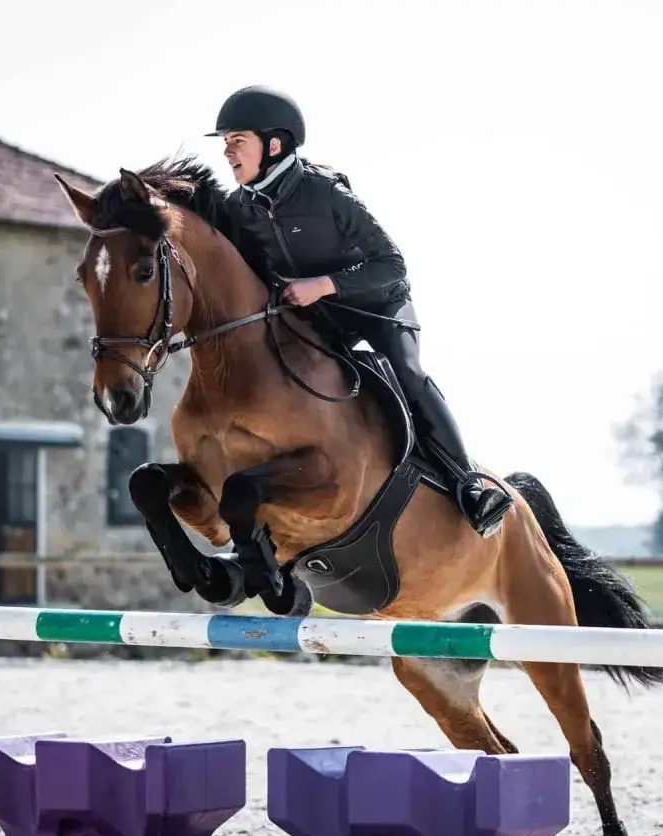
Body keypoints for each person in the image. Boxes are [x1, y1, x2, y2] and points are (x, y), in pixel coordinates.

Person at [208, 84, 513, 538]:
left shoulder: (326, 194)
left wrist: (325, 284)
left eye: (238, 142)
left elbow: (391, 265)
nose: (229, 154)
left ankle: (470, 484)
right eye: (227, 145)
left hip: (379, 305)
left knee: (406, 371)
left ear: (274, 145)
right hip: (322, 318)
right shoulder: (238, 208)